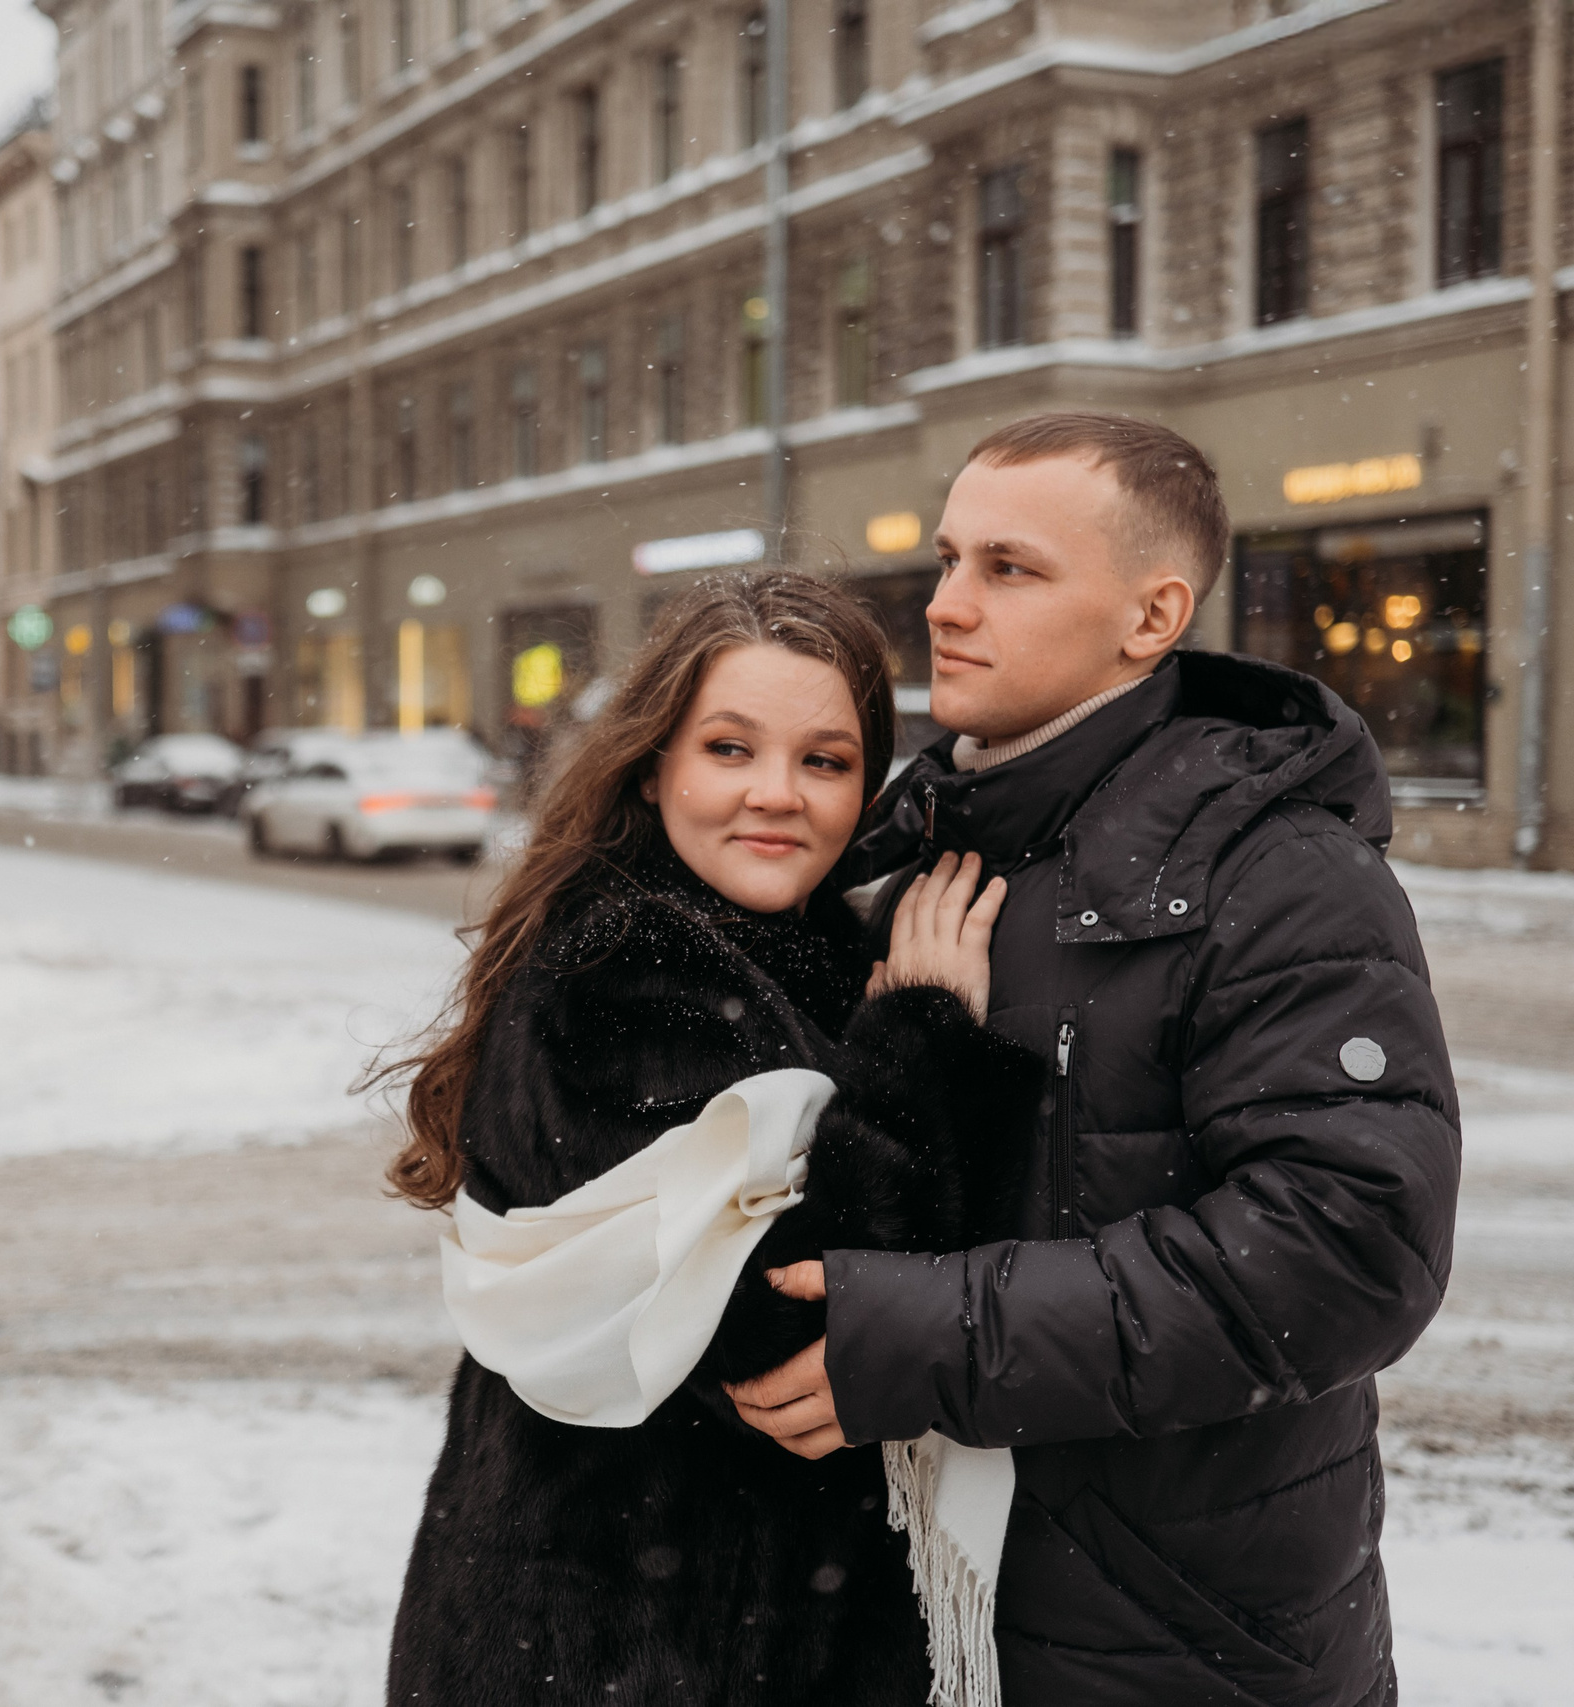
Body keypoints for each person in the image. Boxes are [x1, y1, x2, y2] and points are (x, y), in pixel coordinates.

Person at [726, 412, 1460, 1707]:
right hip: (919, 1618)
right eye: (949, 559)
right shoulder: (906, 857)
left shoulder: (1279, 870)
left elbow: (1346, 1251)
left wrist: (921, 1340)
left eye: (1009, 568)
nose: (947, 604)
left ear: (1149, 613)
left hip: (1174, 1641)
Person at [382, 572, 1048, 1705]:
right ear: (655, 765)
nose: (776, 796)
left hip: (697, 1623)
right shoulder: (622, 967)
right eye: (729, 750)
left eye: (824, 761)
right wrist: (925, 1034)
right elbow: (770, 1322)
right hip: (624, 1642)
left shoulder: (795, 946)